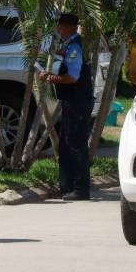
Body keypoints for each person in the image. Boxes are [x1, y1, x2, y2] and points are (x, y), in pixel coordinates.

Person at [39, 12, 93, 201]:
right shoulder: (71, 46)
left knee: (76, 146)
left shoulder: (74, 47)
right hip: (73, 102)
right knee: (67, 145)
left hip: (77, 102)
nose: (58, 30)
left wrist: (50, 78)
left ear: (68, 27)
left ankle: (80, 189)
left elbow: (72, 77)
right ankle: (67, 186)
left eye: (60, 26)